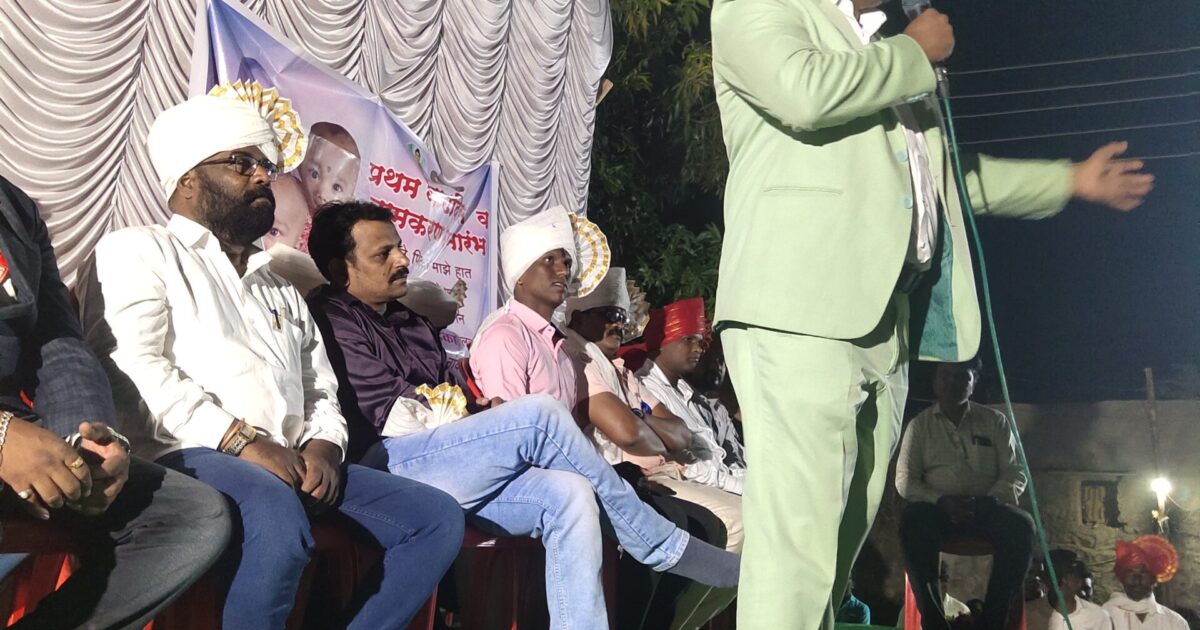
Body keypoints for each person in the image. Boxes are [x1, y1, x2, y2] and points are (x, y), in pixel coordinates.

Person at [709, 0, 1154, 626]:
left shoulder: (884, 51)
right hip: (797, 310)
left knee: (836, 542)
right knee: (798, 540)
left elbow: (945, 184)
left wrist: (1068, 181)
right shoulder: (762, 7)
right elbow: (802, 92)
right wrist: (914, 52)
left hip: (884, 322)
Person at [78, 84, 463, 629]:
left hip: (289, 460)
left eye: (266, 165)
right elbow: (132, 372)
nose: (263, 176)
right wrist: (242, 441)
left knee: (435, 518)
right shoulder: (138, 250)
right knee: (276, 514)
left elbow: (320, 386)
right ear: (187, 179)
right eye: (242, 163)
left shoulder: (278, 287)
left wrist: (325, 447)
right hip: (183, 453)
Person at [304, 202, 740, 630]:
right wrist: (487, 424)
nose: (402, 259)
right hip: (385, 466)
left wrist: (482, 412)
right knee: (538, 415)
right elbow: (393, 413)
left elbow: (452, 391)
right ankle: (656, 541)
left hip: (447, 466)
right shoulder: (331, 317)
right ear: (341, 269)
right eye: (383, 254)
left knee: (571, 493)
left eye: (399, 247)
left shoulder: (410, 321)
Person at [0, 174, 230, 628]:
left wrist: (83, 439)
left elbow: (57, 342)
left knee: (189, 516)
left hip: (22, 436)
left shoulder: (14, 206)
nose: (261, 175)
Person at [564, 269, 738, 629]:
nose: (618, 324)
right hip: (617, 477)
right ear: (579, 318)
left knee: (718, 524)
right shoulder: (580, 359)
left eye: (621, 316)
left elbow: (681, 437)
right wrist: (645, 425)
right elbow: (628, 434)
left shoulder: (619, 370)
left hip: (655, 473)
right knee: (725, 522)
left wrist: (639, 419)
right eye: (608, 314)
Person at [896, 359, 1033, 630]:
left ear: (974, 382)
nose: (953, 382)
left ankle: (992, 622)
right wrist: (940, 500)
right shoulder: (920, 426)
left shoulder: (995, 421)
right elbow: (905, 480)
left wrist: (991, 499)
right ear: (935, 381)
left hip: (986, 509)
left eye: (962, 376)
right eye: (946, 375)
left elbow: (1016, 472)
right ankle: (934, 620)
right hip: (939, 511)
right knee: (912, 521)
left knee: (1022, 526)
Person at [1103, 535, 1187, 630]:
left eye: (1144, 572)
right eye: (1130, 572)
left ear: (1154, 579)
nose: (1137, 579)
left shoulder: (1175, 623)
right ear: (1122, 578)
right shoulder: (1103, 618)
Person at [1047, 557, 1112, 630]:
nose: (1080, 584)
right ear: (1064, 579)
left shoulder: (1097, 615)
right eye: (1076, 578)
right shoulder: (1039, 613)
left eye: (1081, 579)